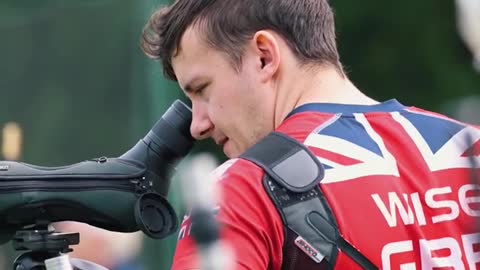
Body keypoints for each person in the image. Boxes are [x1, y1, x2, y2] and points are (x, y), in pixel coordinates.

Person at [140, 0, 480, 269]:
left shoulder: (246, 187)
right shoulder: (472, 146)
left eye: (202, 89)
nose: (197, 124)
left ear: (264, 56)